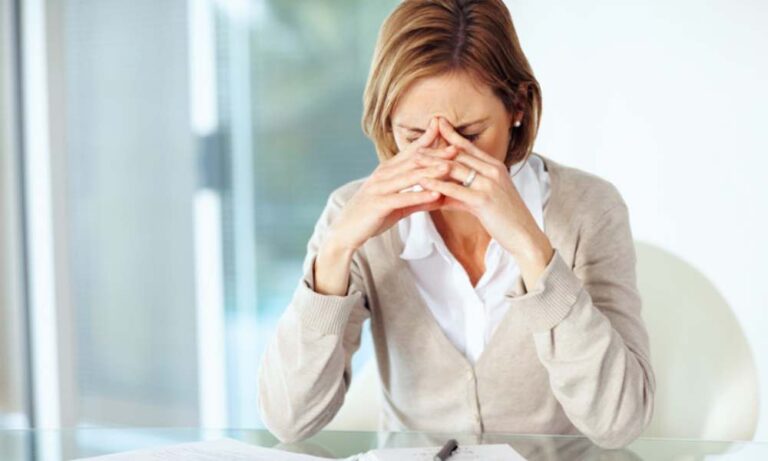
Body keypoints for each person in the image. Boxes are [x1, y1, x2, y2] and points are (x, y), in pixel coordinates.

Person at [258, 0, 654, 449]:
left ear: (517, 107)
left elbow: (619, 423)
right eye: (413, 136)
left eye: (468, 136)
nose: (443, 160)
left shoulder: (589, 209)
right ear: (387, 122)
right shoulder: (351, 215)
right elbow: (289, 420)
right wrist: (335, 252)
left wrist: (532, 250)